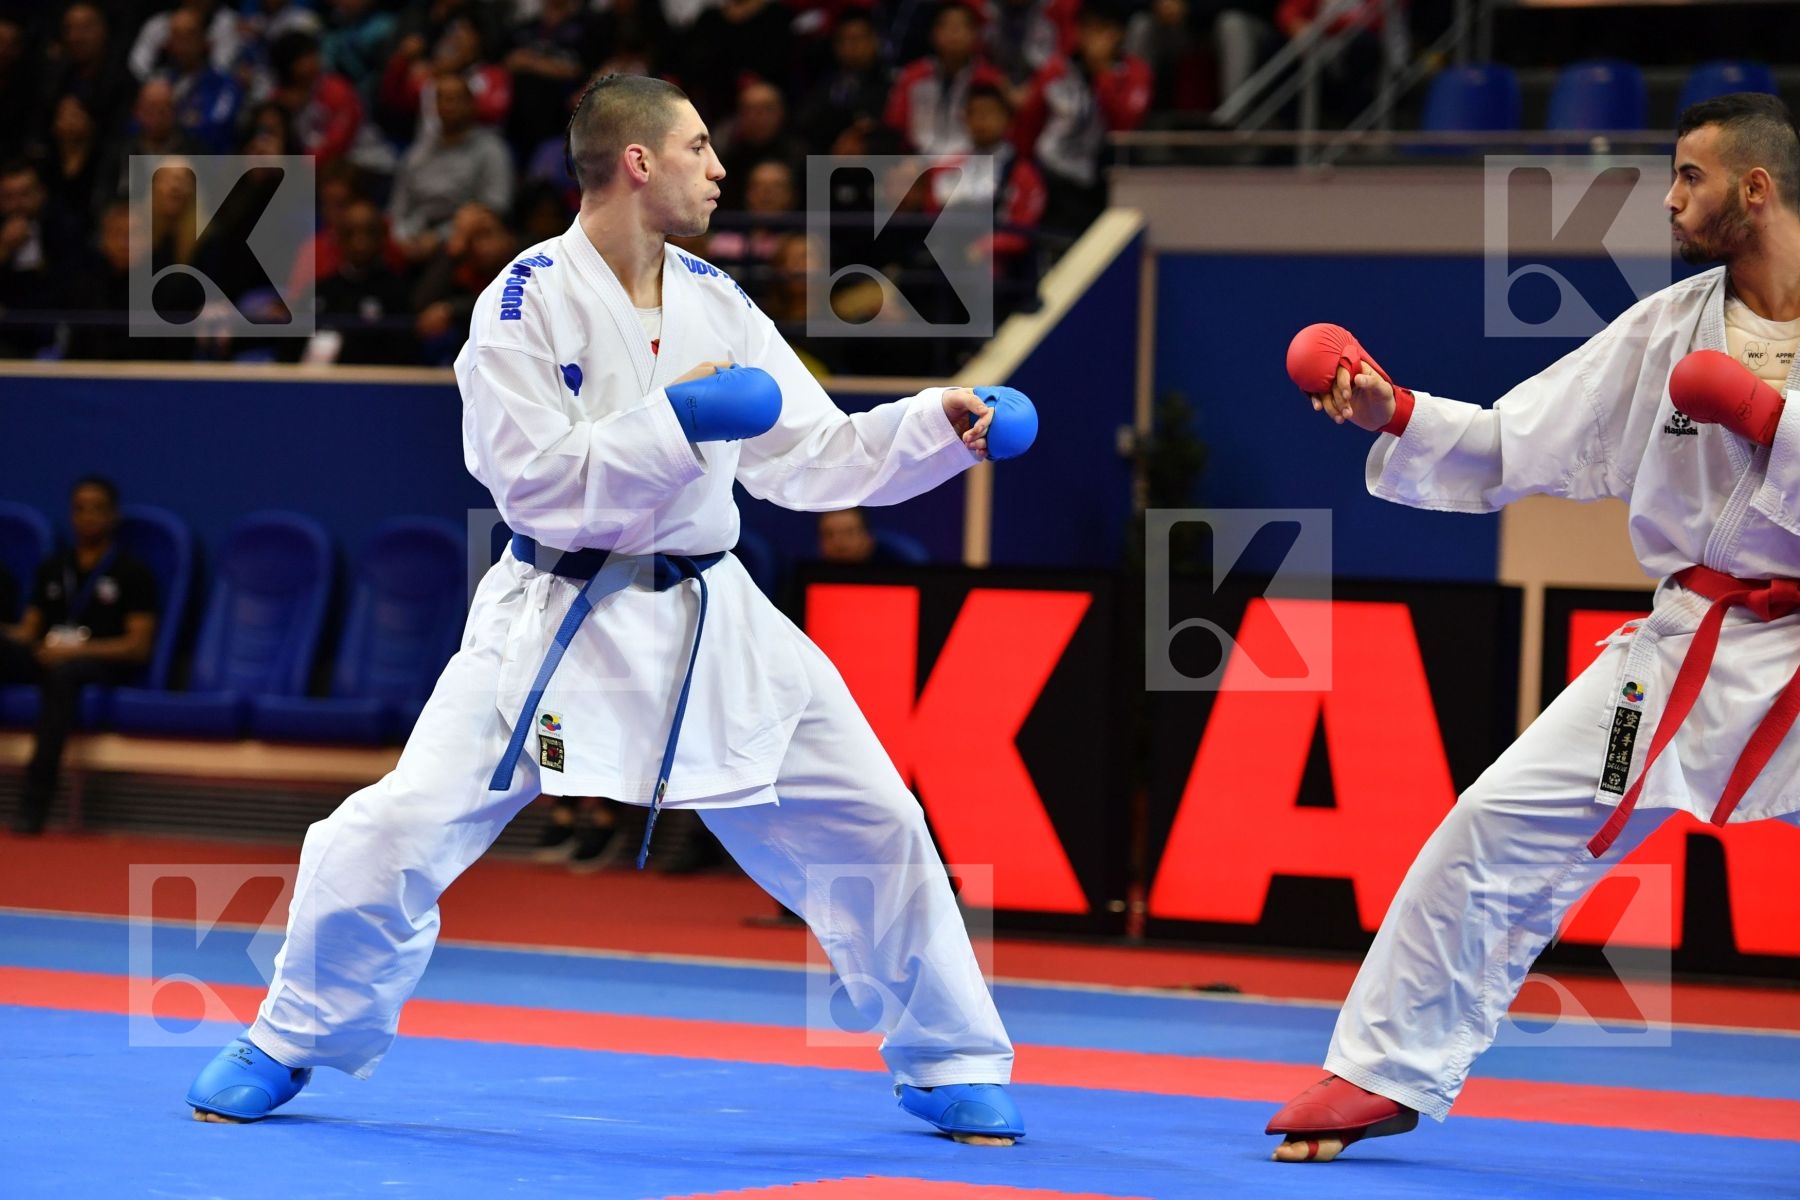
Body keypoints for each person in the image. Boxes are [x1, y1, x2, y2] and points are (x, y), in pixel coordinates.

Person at [185, 73, 1037, 1147]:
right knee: (391, 829)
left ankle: (952, 1058)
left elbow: (812, 458)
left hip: (713, 614)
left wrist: (935, 422)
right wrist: (677, 423)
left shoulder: (720, 302)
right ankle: (288, 1036)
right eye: (698, 147)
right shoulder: (521, 304)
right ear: (639, 161)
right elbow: (532, 483)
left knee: (875, 819)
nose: (720, 169)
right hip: (554, 614)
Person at [1266, 92, 1800, 1163]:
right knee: (1499, 821)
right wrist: (1397, 411)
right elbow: (1524, 438)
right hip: (1678, 653)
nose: (1669, 198)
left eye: (1689, 176)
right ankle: (1383, 1072)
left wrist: (1771, 424)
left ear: (1756, 187)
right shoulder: (1667, 330)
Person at [0, 478, 157, 835]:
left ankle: (34, 801)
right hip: (49, 655)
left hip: (99, 664)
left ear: (113, 516)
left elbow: (138, 646)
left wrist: (75, 649)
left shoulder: (132, 572)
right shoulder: (53, 567)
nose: (88, 516)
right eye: (80, 508)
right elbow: (28, 631)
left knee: (64, 675)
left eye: (97, 508)